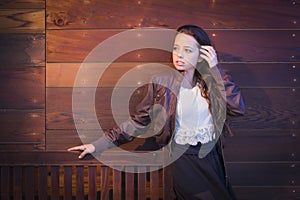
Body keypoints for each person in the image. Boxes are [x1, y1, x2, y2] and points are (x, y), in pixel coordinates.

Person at [68, 25, 245, 200]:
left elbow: (237, 109)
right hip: (182, 159)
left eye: (187, 50)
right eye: (176, 48)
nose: (179, 54)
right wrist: (99, 144)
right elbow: (138, 122)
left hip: (211, 159)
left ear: (202, 55)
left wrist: (215, 70)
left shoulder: (212, 82)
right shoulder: (161, 83)